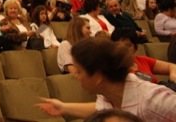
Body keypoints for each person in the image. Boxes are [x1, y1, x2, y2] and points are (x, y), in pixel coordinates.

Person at [37, 37, 176, 121]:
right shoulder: (107, 94)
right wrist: (63, 107)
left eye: (79, 71)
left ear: (98, 77)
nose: (76, 76)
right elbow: (102, 110)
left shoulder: (153, 101)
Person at [111, 27, 176, 84]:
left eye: (128, 45)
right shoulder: (113, 68)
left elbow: (171, 66)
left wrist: (173, 77)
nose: (123, 49)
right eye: (118, 46)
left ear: (135, 48)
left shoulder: (142, 60)